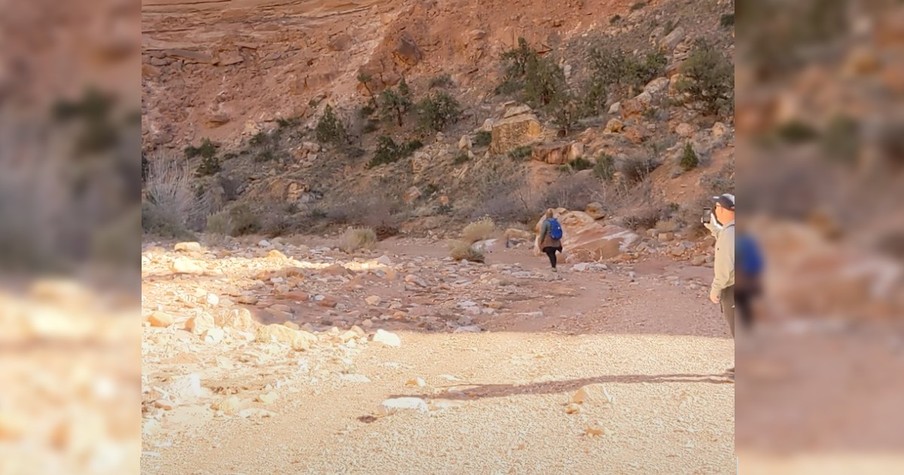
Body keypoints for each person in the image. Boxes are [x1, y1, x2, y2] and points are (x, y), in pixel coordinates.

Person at [709, 194, 736, 371]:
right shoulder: (732, 230)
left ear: (725, 210)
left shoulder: (729, 233)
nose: (716, 209)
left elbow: (725, 268)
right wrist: (713, 227)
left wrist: (715, 289)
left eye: (718, 206)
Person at [735, 227, 764, 330]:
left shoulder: (739, 243)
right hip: (755, 274)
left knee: (744, 302)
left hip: (745, 275)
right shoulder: (753, 242)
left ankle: (748, 326)